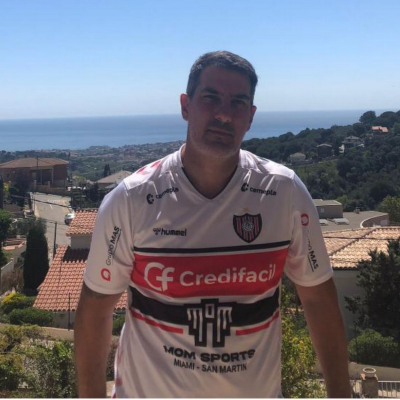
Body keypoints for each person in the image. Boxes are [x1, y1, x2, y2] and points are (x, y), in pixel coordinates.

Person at [75, 51, 351, 398]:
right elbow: (95, 310)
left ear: (250, 117)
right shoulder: (132, 198)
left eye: (238, 103)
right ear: (185, 106)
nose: (224, 113)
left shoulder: (284, 192)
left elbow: (319, 300)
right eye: (211, 98)